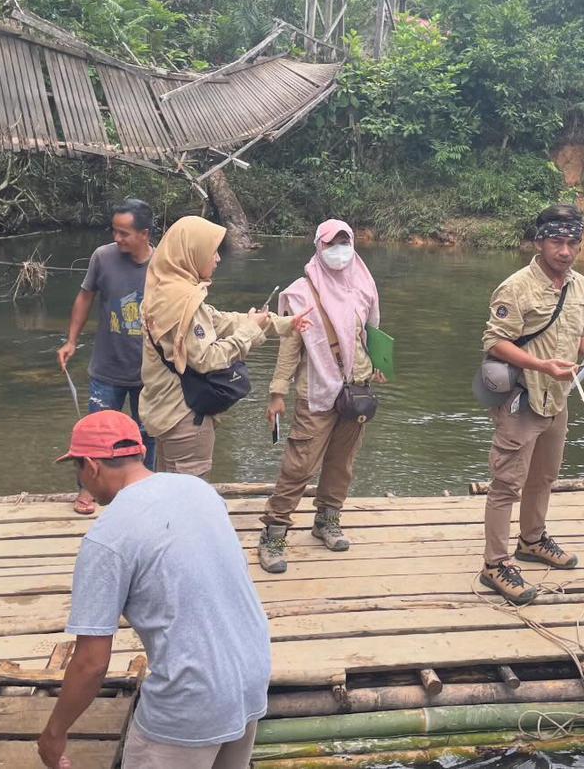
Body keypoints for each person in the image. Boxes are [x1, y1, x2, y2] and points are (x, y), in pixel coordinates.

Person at [38, 410, 271, 769]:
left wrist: (54, 732)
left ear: (90, 466)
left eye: (78, 470)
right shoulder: (197, 489)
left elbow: (91, 663)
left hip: (191, 697)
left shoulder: (107, 537)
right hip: (252, 672)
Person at [477, 204, 584, 605]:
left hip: (558, 398)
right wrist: (540, 365)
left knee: (544, 477)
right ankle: (494, 565)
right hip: (523, 397)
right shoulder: (515, 287)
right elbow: (493, 341)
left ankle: (532, 541)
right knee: (506, 485)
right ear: (539, 242)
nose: (565, 251)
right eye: (557, 242)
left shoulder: (580, 285)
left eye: (572, 243)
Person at [257, 220, 384, 574]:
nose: (339, 251)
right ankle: (274, 533)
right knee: (299, 465)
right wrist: (276, 393)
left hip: (356, 390)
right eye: (331, 244)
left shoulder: (363, 284)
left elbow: (370, 333)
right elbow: (289, 349)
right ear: (318, 246)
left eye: (344, 243)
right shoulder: (301, 293)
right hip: (315, 392)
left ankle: (327, 520)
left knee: (342, 462)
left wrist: (378, 363)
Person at [139, 215, 309, 478]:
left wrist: (282, 323)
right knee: (189, 497)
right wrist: (250, 331)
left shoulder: (164, 291)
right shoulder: (183, 301)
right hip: (184, 415)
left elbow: (219, 320)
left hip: (163, 411)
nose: (217, 258)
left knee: (168, 490)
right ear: (192, 251)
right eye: (212, 251)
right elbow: (207, 359)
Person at [58, 200, 156, 515]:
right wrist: (71, 341)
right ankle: (87, 490)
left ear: (145, 234)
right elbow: (85, 296)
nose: (117, 238)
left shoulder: (163, 265)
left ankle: (143, 491)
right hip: (107, 366)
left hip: (149, 372)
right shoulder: (103, 258)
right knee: (95, 433)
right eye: (114, 230)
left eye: (124, 233)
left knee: (146, 435)